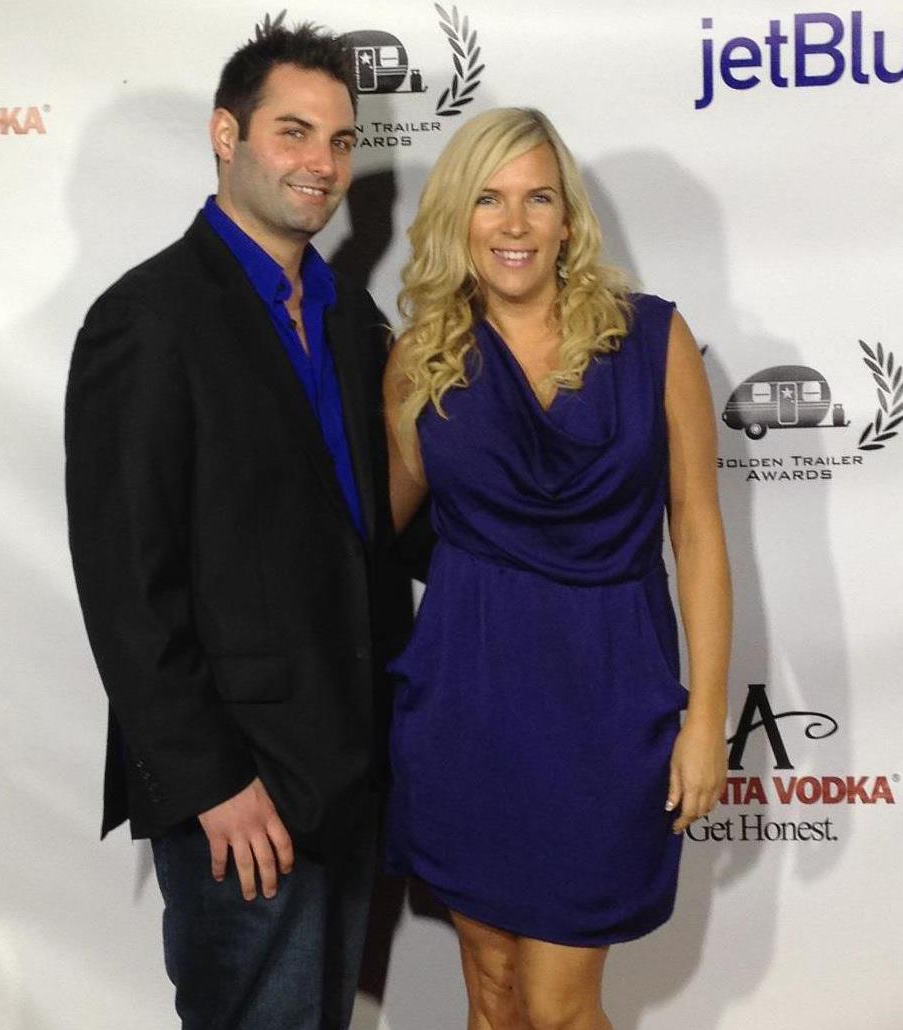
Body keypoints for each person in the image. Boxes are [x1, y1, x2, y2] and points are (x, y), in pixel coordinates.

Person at [65, 25, 412, 1030]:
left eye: (341, 142)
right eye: (293, 132)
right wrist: (211, 781)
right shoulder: (150, 318)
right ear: (227, 135)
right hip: (242, 792)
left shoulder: (351, 318)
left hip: (349, 772)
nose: (321, 165)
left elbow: (365, 537)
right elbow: (127, 580)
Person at [383, 107, 731, 1029]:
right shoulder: (423, 359)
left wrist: (705, 719)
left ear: (568, 218)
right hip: (466, 699)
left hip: (608, 698)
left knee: (560, 1004)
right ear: (459, 218)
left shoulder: (655, 341)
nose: (515, 223)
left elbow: (697, 530)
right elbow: (367, 532)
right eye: (489, 199)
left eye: (538, 198)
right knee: (492, 987)